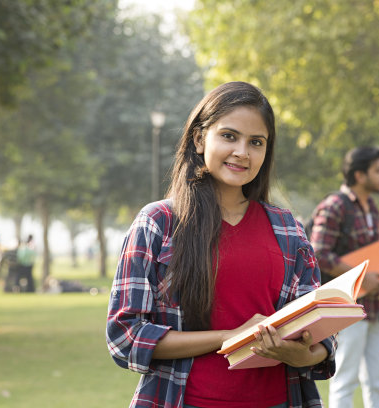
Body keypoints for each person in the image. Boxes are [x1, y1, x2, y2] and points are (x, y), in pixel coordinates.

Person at [106, 81, 336, 408]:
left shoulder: (289, 229)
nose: (242, 152)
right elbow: (125, 336)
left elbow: (321, 330)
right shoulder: (158, 223)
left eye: (256, 142)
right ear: (200, 139)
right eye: (229, 136)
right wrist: (230, 337)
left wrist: (303, 355)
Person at [309, 146, 379, 408]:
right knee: (344, 380)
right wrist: (362, 277)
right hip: (345, 308)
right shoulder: (334, 206)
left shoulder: (372, 209)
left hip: (373, 308)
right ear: (359, 175)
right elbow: (317, 253)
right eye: (378, 171)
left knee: (378, 381)